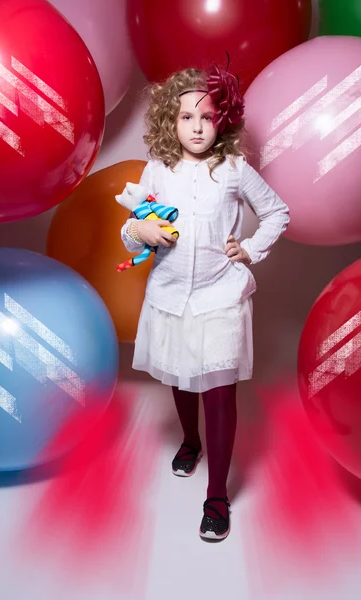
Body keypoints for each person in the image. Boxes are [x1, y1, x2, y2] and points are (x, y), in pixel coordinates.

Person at [120, 59, 290, 541]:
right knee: (181, 373)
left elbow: (277, 212)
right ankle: (190, 440)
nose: (197, 126)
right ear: (169, 124)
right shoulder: (157, 171)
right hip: (171, 295)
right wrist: (140, 229)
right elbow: (132, 231)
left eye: (207, 116)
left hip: (221, 295)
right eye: (186, 117)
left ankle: (217, 495)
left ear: (223, 120)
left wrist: (251, 249)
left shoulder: (234, 170)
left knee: (218, 388)